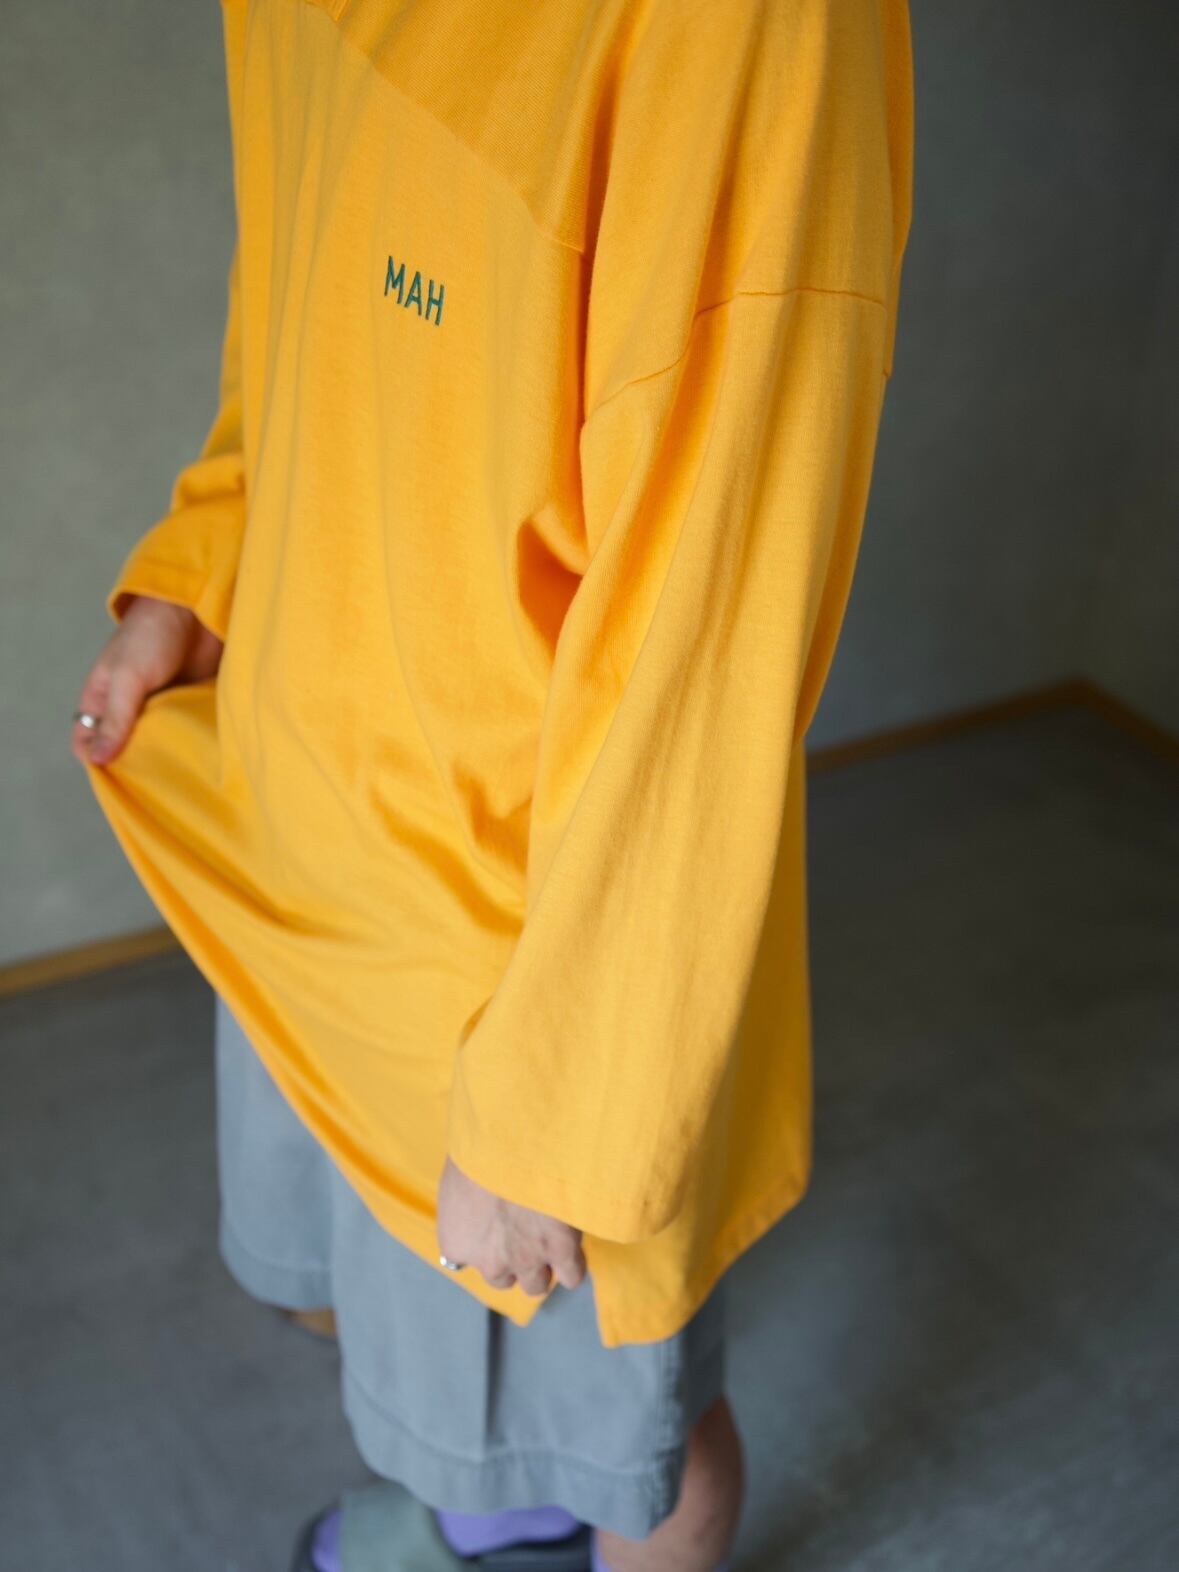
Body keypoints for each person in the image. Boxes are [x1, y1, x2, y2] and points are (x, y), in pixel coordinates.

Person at [71, 0, 913, 1567]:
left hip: (525, 933)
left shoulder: (743, 27)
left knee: (628, 1431)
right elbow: (304, 294)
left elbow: (709, 618)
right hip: (306, 813)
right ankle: (488, 1521)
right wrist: (201, 570)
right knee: (393, 1334)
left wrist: (561, 1103)